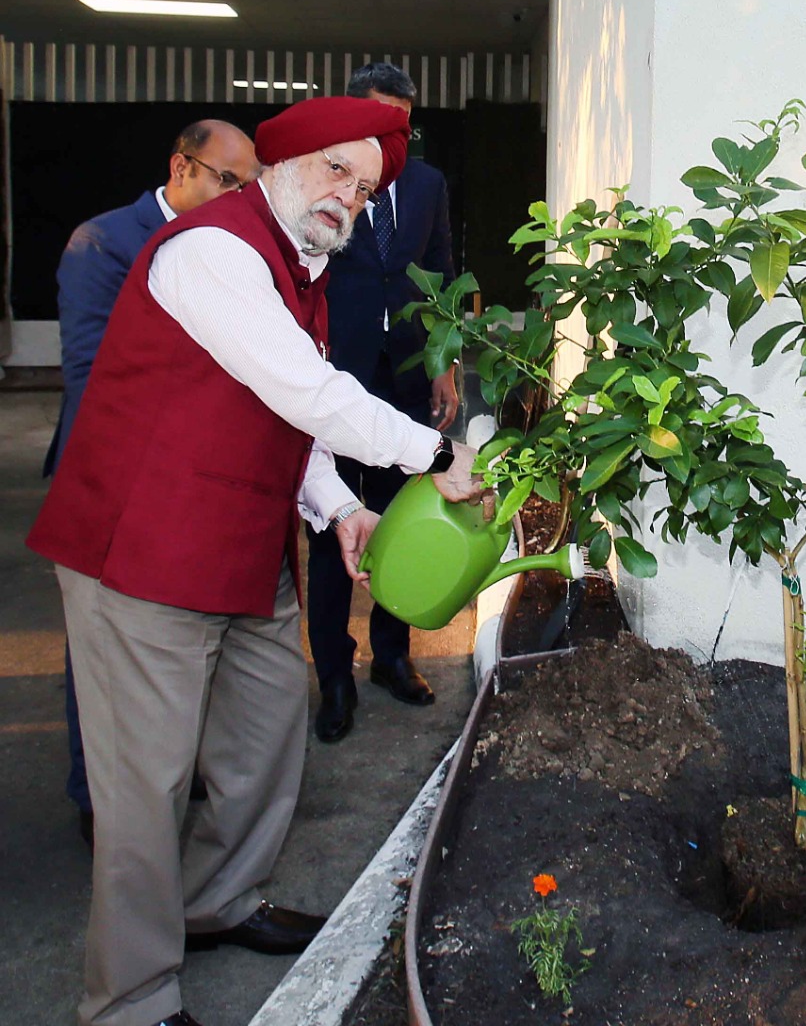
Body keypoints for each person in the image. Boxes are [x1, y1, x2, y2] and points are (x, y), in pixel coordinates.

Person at [27, 96, 484, 1026]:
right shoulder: (212, 251)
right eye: (333, 170)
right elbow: (303, 386)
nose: (346, 197)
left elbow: (281, 415)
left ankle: (219, 902)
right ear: (280, 162)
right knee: (145, 791)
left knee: (266, 741)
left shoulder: (301, 266)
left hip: (244, 547)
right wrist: (437, 458)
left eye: (362, 188)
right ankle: (132, 1000)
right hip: (142, 553)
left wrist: (339, 505)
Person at [45, 119, 260, 846]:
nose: (239, 199)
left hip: (179, 489)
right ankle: (94, 798)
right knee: (101, 658)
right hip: (108, 484)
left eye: (248, 188)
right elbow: (92, 378)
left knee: (170, 651)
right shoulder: (103, 242)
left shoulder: (225, 250)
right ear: (181, 167)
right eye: (229, 182)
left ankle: (163, 778)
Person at [308, 62, 458, 742]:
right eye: (375, 119)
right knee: (333, 531)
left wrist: (444, 366)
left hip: (404, 385)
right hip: (332, 382)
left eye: (399, 122)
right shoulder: (321, 179)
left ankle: (391, 658)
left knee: (401, 526)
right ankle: (333, 677)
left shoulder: (428, 184)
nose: (388, 135)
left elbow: (442, 276)